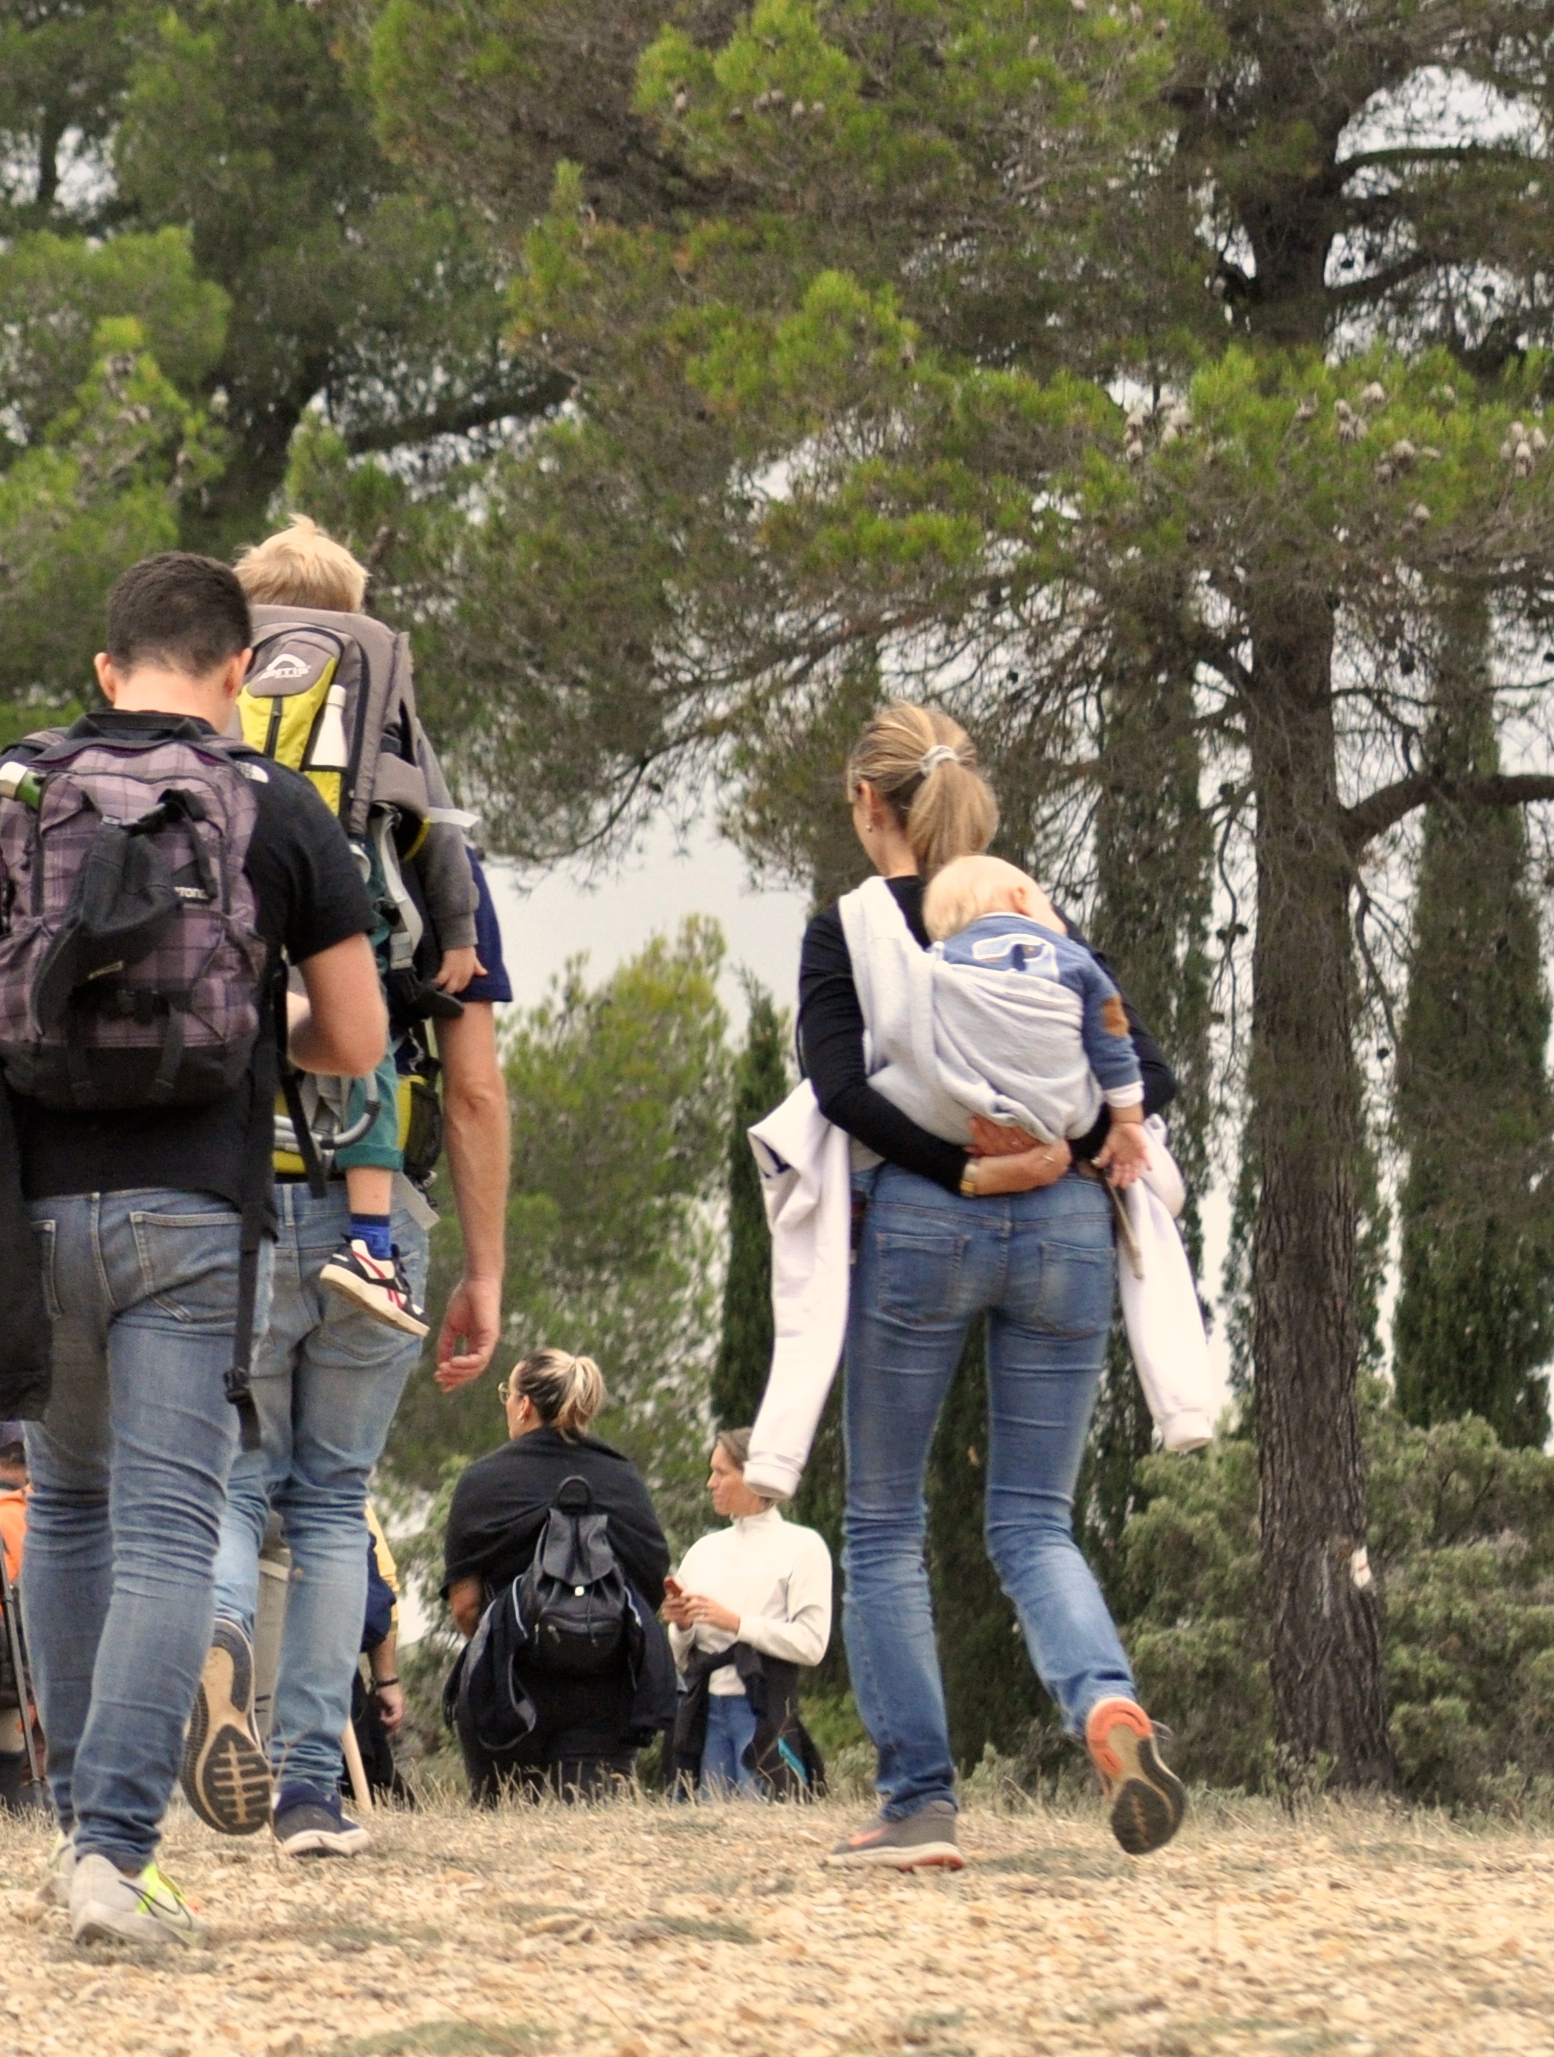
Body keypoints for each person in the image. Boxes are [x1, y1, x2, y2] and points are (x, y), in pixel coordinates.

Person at [0, 550, 387, 1947]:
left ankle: (72, 1835)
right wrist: (251, 1026)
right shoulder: (277, 808)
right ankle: (113, 1853)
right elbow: (356, 1040)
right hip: (196, 1214)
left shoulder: (14, 781)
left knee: (77, 1508)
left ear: (105, 671)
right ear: (234, 676)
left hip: (29, 1214)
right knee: (167, 1526)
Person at [796, 702, 1186, 1869]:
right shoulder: (1032, 914)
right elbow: (1145, 1064)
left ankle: (918, 1802)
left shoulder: (854, 928)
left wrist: (966, 1167)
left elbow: (835, 1090)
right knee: (1030, 1518)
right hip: (1069, 1228)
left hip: (927, 1223)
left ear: (870, 804)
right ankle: (1108, 1707)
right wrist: (1087, 1142)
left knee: (881, 1520)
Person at [208, 518, 514, 1857]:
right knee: (334, 1498)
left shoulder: (186, 782)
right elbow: (477, 1079)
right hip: (366, 1201)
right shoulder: (410, 799)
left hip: (213, 1184)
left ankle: (211, 1668)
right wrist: (487, 1271)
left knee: (219, 1480)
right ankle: (313, 1793)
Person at [439, 1349, 677, 1799]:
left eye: (506, 1395)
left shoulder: (484, 1480)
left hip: (510, 1689)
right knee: (593, 1843)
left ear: (524, 1405)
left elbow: (466, 1606)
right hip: (606, 1694)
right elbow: (649, 1587)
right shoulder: (624, 1478)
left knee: (505, 1834)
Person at [917, 855, 1153, 1179]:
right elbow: (1112, 1038)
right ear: (1022, 898)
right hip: (1061, 1118)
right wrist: (1128, 1121)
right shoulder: (1077, 960)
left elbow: (907, 1023)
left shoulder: (940, 958)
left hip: (960, 1120)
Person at [664, 1428, 834, 1799]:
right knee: (709, 1838)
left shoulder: (803, 1548)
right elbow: (682, 1657)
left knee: (764, 1831)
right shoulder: (702, 1551)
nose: (711, 1483)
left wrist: (737, 1624)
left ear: (756, 1478)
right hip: (704, 1713)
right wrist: (683, 1625)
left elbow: (812, 1644)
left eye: (722, 1473)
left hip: (763, 1714)